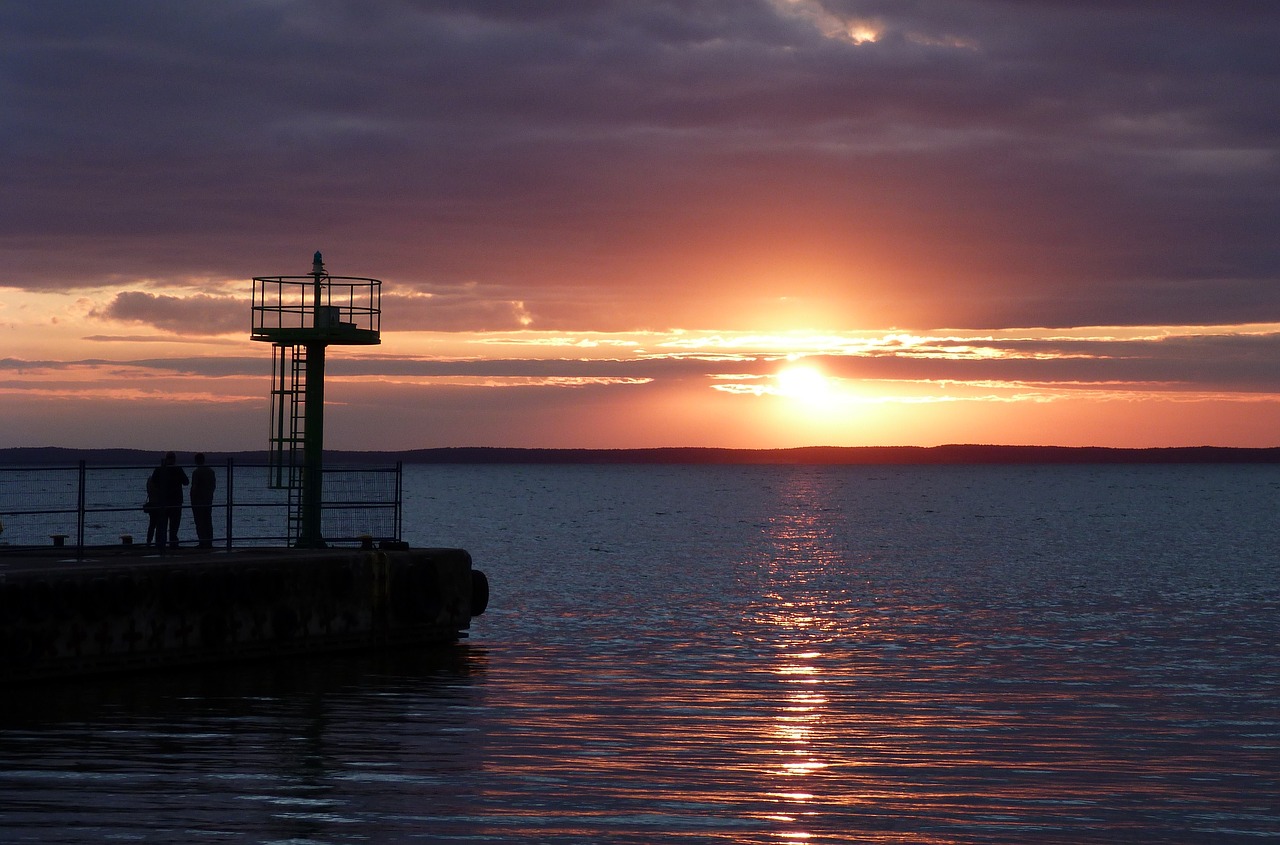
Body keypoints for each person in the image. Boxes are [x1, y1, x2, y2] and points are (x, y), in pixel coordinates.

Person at [149, 451, 189, 550]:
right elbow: (186, 482)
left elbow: (153, 482)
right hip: (176, 500)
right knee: (174, 525)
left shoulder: (159, 469)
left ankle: (160, 544)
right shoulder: (178, 469)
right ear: (174, 459)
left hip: (163, 500)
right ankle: (173, 543)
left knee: (161, 524)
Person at [190, 453, 216, 549]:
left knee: (200, 522)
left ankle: (202, 541)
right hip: (208, 499)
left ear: (196, 460)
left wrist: (192, 498)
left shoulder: (196, 472)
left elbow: (194, 487)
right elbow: (213, 486)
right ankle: (209, 541)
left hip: (198, 500)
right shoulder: (211, 471)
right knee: (208, 521)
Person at [144, 457, 163, 547]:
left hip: (152, 503)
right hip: (158, 504)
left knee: (152, 525)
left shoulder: (149, 480)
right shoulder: (159, 482)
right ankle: (158, 542)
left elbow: (148, 491)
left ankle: (149, 542)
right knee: (159, 525)